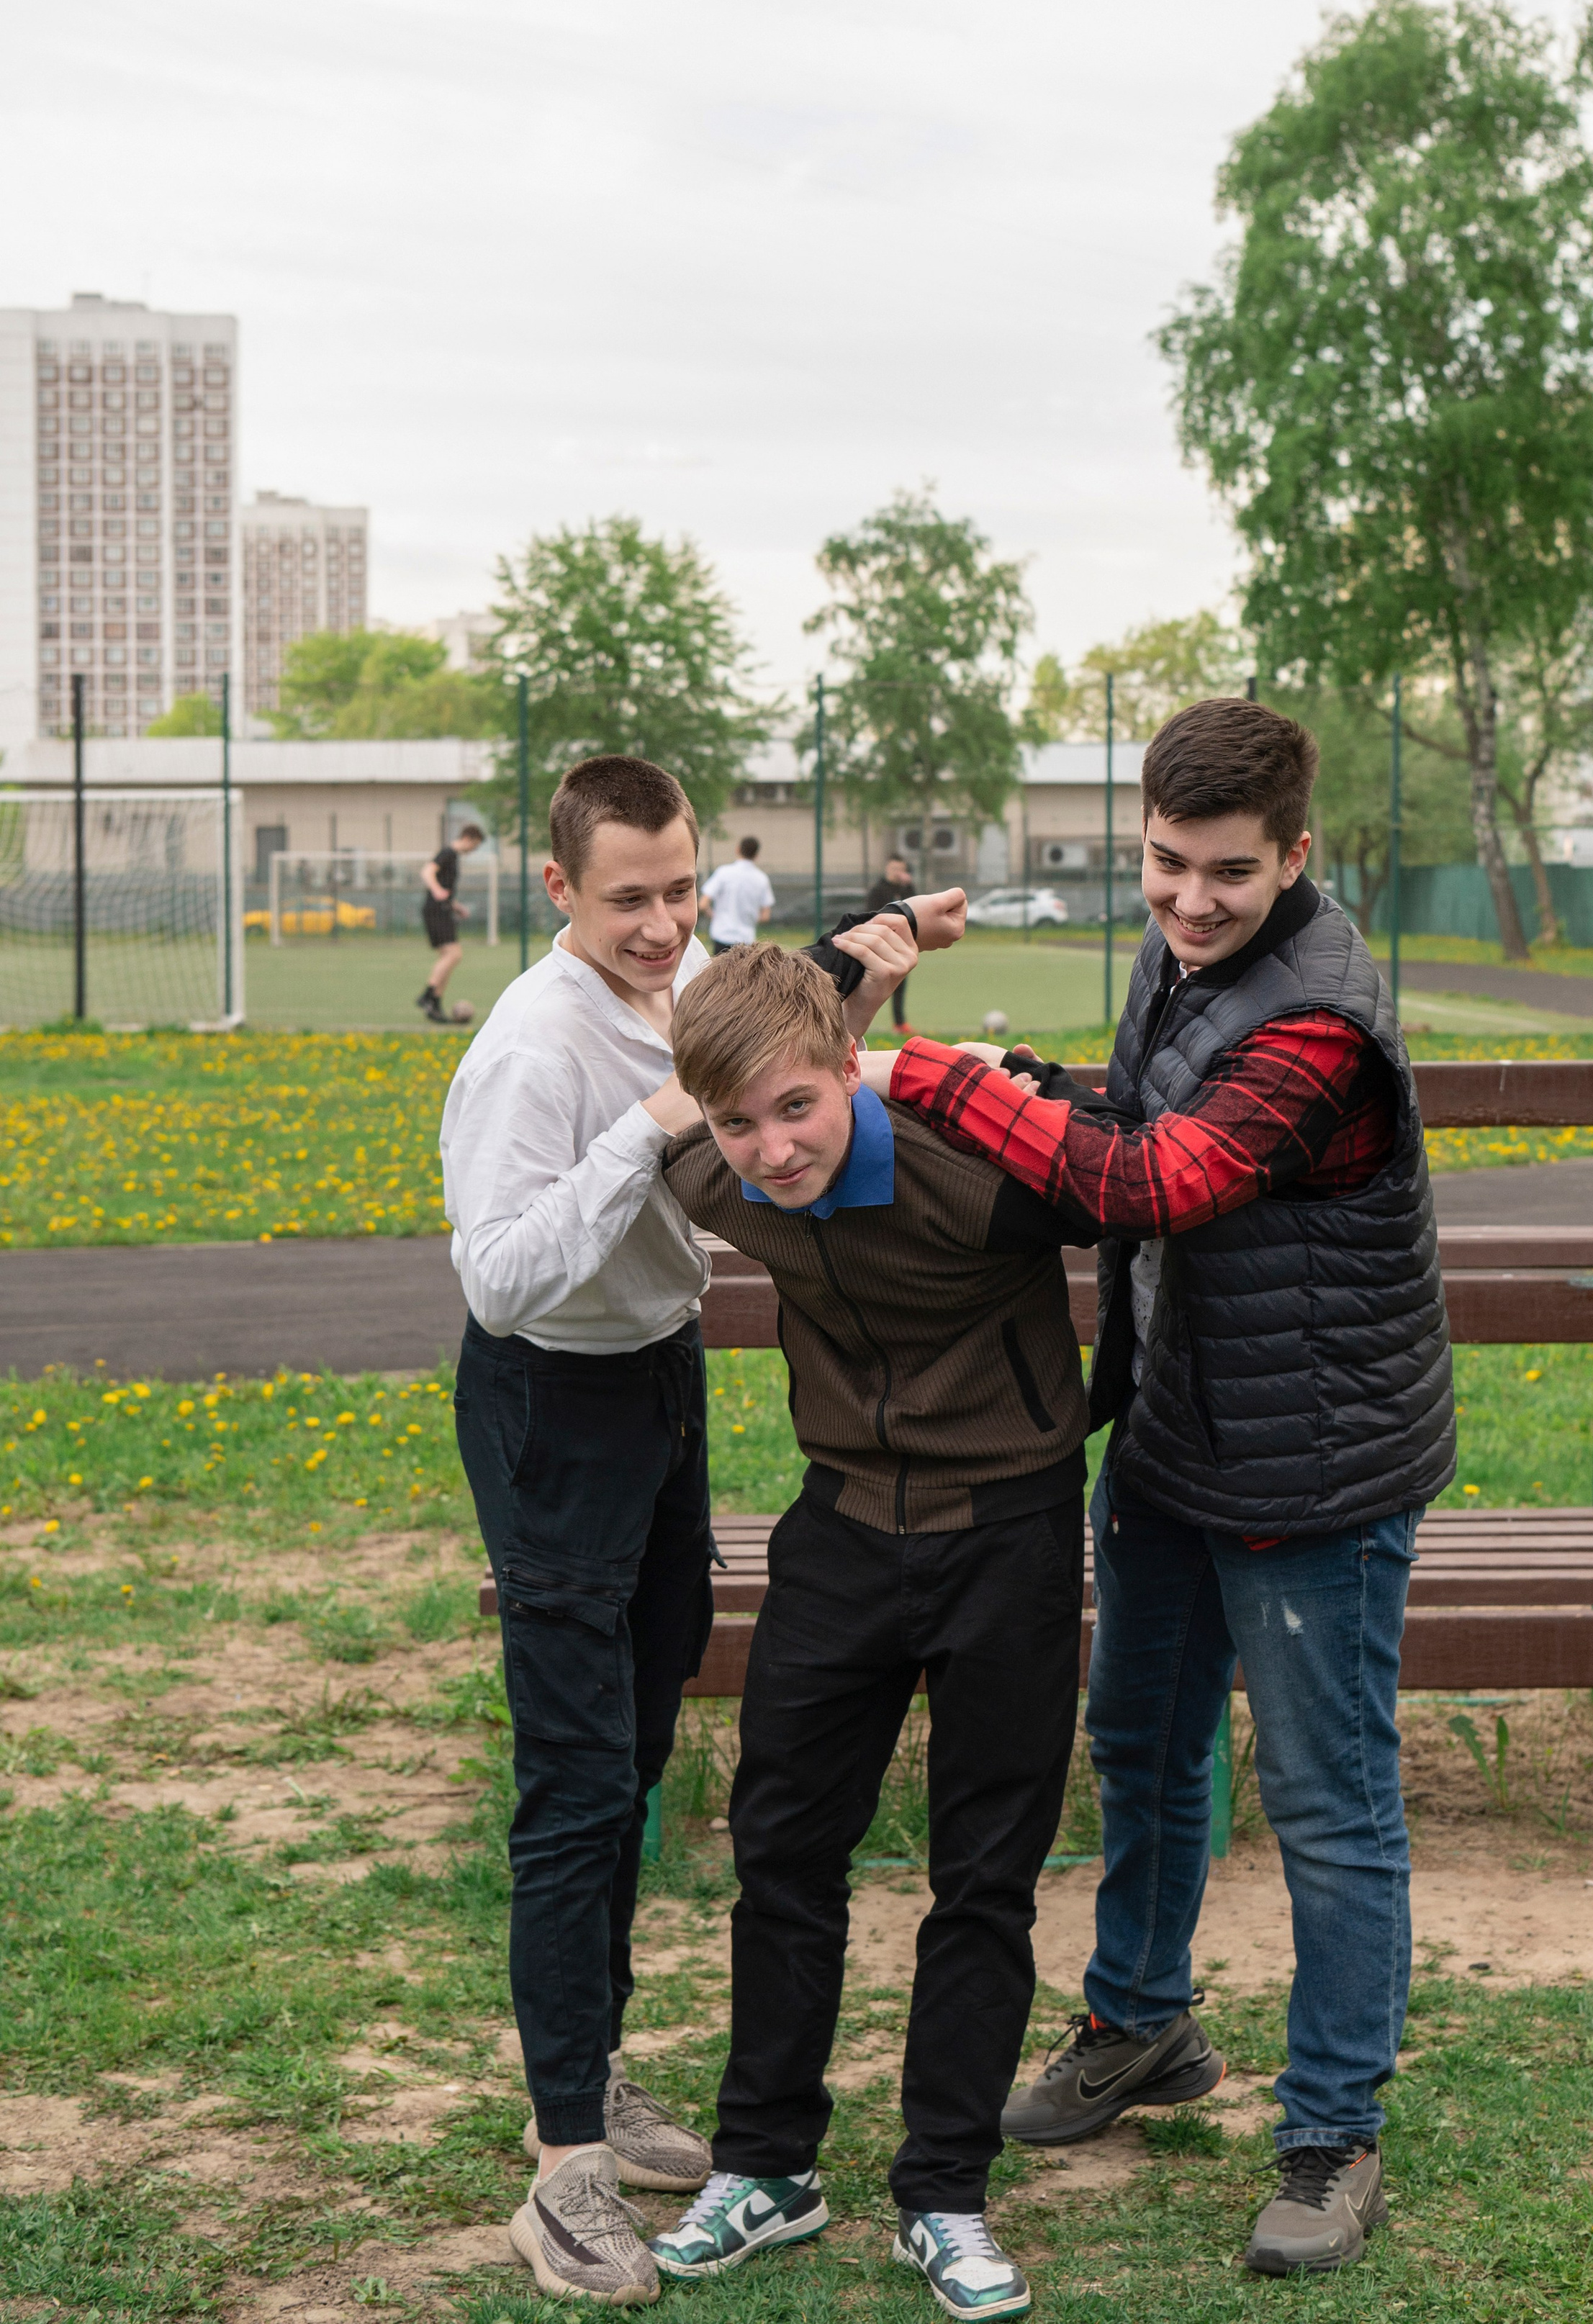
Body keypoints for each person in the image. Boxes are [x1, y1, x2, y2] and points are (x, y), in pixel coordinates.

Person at [859, 697, 1456, 2279]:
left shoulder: (1320, 1022)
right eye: (1166, 865)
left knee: (1330, 1810)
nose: (1190, 900)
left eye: (1229, 875)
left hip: (1312, 1470)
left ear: (1298, 859)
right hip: (1180, 1436)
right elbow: (1144, 1110)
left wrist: (925, 1073)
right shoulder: (1183, 959)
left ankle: (1333, 2134)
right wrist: (1034, 1073)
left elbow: (1161, 1181)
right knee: (1139, 1742)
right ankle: (1138, 2028)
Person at [440, 756, 948, 2305]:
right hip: (550, 1409)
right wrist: (643, 1121)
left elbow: (764, 1051)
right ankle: (562, 2174)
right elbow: (501, 1278)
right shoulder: (534, 1046)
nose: (667, 927)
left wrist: (865, 954)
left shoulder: (672, 991)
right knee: (577, 1786)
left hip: (652, 1389)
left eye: (679, 892)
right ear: (558, 892)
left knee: (637, 1752)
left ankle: (584, 2082)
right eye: (630, 902)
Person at [644, 943, 1101, 2320]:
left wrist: (1031, 1082)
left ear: (855, 1069)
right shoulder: (715, 1176)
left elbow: (1121, 1173)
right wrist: (838, 957)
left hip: (1007, 1537)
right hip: (839, 1531)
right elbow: (695, 1098)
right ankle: (768, 2166)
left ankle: (945, 2191)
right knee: (782, 1849)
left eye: (797, 1106)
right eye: (737, 1120)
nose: (770, 1149)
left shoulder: (984, 1181)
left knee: (984, 1874)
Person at [418, 822, 484, 1023]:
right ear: (468, 839)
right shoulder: (447, 852)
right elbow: (427, 872)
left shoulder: (453, 857)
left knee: (448, 957)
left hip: (443, 909)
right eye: (475, 846)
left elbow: (445, 887)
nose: (473, 851)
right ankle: (428, 995)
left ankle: (435, 1004)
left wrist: (456, 906)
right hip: (436, 910)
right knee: (454, 954)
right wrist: (437, 891)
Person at [866, 853, 917, 1031]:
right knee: (875, 986)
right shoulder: (878, 890)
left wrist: (909, 885)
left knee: (900, 983)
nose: (898, 873)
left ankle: (900, 1023)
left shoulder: (905, 890)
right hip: (881, 943)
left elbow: (916, 908)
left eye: (901, 869)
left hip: (900, 944)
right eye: (895, 869)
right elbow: (871, 915)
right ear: (888, 868)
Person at [700, 833, 775, 952]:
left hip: (722, 935)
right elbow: (765, 916)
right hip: (746, 939)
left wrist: (715, 916)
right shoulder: (762, 879)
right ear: (756, 855)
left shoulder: (723, 872)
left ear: (738, 849)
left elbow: (703, 904)